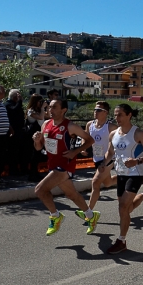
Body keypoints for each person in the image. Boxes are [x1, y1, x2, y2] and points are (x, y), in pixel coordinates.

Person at [32, 99, 99, 235]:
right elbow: (39, 148)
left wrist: (75, 152)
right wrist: (36, 140)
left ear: (64, 110)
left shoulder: (70, 126)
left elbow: (90, 140)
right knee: (71, 194)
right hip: (52, 165)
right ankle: (91, 216)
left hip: (64, 166)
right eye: (49, 107)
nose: (50, 110)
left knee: (39, 190)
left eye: (54, 107)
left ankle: (56, 216)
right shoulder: (46, 124)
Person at [103, 104, 143, 254]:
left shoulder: (138, 134)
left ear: (129, 115)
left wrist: (137, 161)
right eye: (115, 115)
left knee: (122, 208)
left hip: (136, 173)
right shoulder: (113, 134)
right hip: (121, 173)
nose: (117, 118)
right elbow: (110, 152)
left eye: (120, 114)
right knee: (127, 208)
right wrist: (103, 165)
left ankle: (121, 240)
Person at [84, 102, 118, 214]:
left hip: (108, 159)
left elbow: (123, 138)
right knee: (108, 183)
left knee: (95, 182)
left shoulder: (111, 127)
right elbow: (86, 138)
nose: (95, 112)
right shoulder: (90, 125)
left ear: (105, 113)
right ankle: (124, 177)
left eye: (98, 110)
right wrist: (83, 149)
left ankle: (88, 212)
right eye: (95, 109)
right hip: (96, 158)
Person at [26, 94, 49, 181]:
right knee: (34, 154)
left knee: (38, 154)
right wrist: (43, 108)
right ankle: (32, 174)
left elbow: (48, 116)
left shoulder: (40, 110)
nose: (41, 103)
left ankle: (36, 172)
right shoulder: (30, 111)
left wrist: (47, 108)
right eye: (40, 101)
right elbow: (40, 117)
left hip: (41, 133)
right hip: (33, 135)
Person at [4, 89, 26, 176]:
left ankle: (19, 169)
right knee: (12, 152)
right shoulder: (7, 104)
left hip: (19, 131)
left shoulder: (15, 104)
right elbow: (14, 111)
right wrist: (20, 101)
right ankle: (12, 170)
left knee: (19, 152)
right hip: (12, 132)